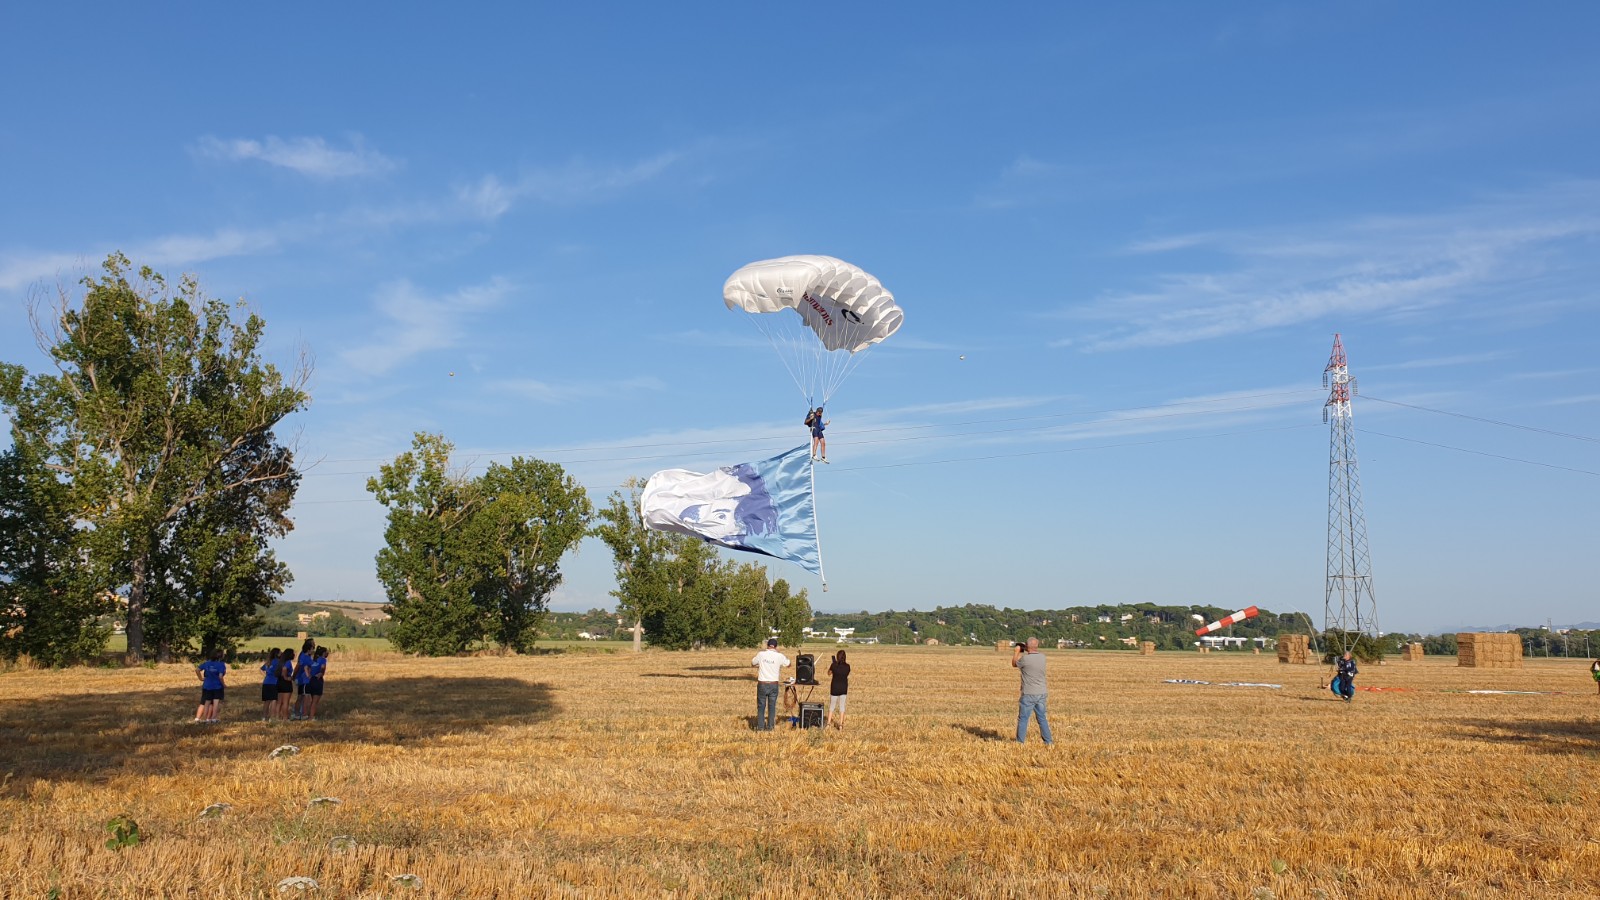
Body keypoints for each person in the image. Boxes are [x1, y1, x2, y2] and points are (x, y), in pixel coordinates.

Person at [1012, 637, 1052, 746]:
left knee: (1023, 719)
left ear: (1027, 647)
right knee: (1042, 719)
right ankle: (1048, 742)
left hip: (1029, 693)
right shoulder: (1043, 657)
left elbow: (1014, 664)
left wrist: (1016, 652)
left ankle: (1020, 742)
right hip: (1042, 692)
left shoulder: (1025, 659)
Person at [751, 637, 791, 731]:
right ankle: (770, 727)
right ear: (776, 647)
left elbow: (753, 663)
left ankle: (760, 728)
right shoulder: (779, 656)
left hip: (762, 684)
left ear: (767, 645)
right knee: (772, 706)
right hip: (774, 684)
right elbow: (788, 664)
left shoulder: (761, 654)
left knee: (761, 706)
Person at [194, 649, 227, 724]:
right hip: (217, 686)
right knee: (215, 703)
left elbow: (197, 669)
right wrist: (224, 684)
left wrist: (201, 678)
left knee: (206, 702)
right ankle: (213, 718)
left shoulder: (207, 663)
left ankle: (206, 719)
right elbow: (220, 676)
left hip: (207, 686)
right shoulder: (221, 664)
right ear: (220, 656)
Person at [826, 649, 850, 730]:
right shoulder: (847, 666)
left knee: (832, 706)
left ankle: (828, 724)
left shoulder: (834, 665)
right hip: (843, 688)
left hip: (834, 688)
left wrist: (832, 668)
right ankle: (840, 725)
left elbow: (828, 673)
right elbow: (845, 674)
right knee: (842, 707)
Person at [292, 638, 315, 720]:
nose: (314, 645)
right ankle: (300, 713)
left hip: (303, 678)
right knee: (304, 697)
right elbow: (300, 666)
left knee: (302, 696)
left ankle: (298, 713)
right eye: (313, 644)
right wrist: (294, 676)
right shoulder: (303, 656)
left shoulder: (308, 656)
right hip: (302, 679)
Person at [304, 646, 328, 721]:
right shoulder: (323, 660)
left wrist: (309, 675)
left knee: (310, 700)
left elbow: (307, 667)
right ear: (323, 653)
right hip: (317, 680)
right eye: (326, 652)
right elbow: (323, 667)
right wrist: (321, 673)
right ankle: (311, 717)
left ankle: (305, 715)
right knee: (315, 701)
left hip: (311, 680)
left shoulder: (313, 660)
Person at [260, 649, 281, 721]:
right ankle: (272, 717)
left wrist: (265, 675)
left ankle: (264, 717)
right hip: (274, 682)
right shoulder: (277, 662)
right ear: (277, 654)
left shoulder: (268, 661)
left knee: (266, 700)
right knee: (274, 700)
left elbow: (261, 669)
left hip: (266, 682)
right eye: (280, 652)